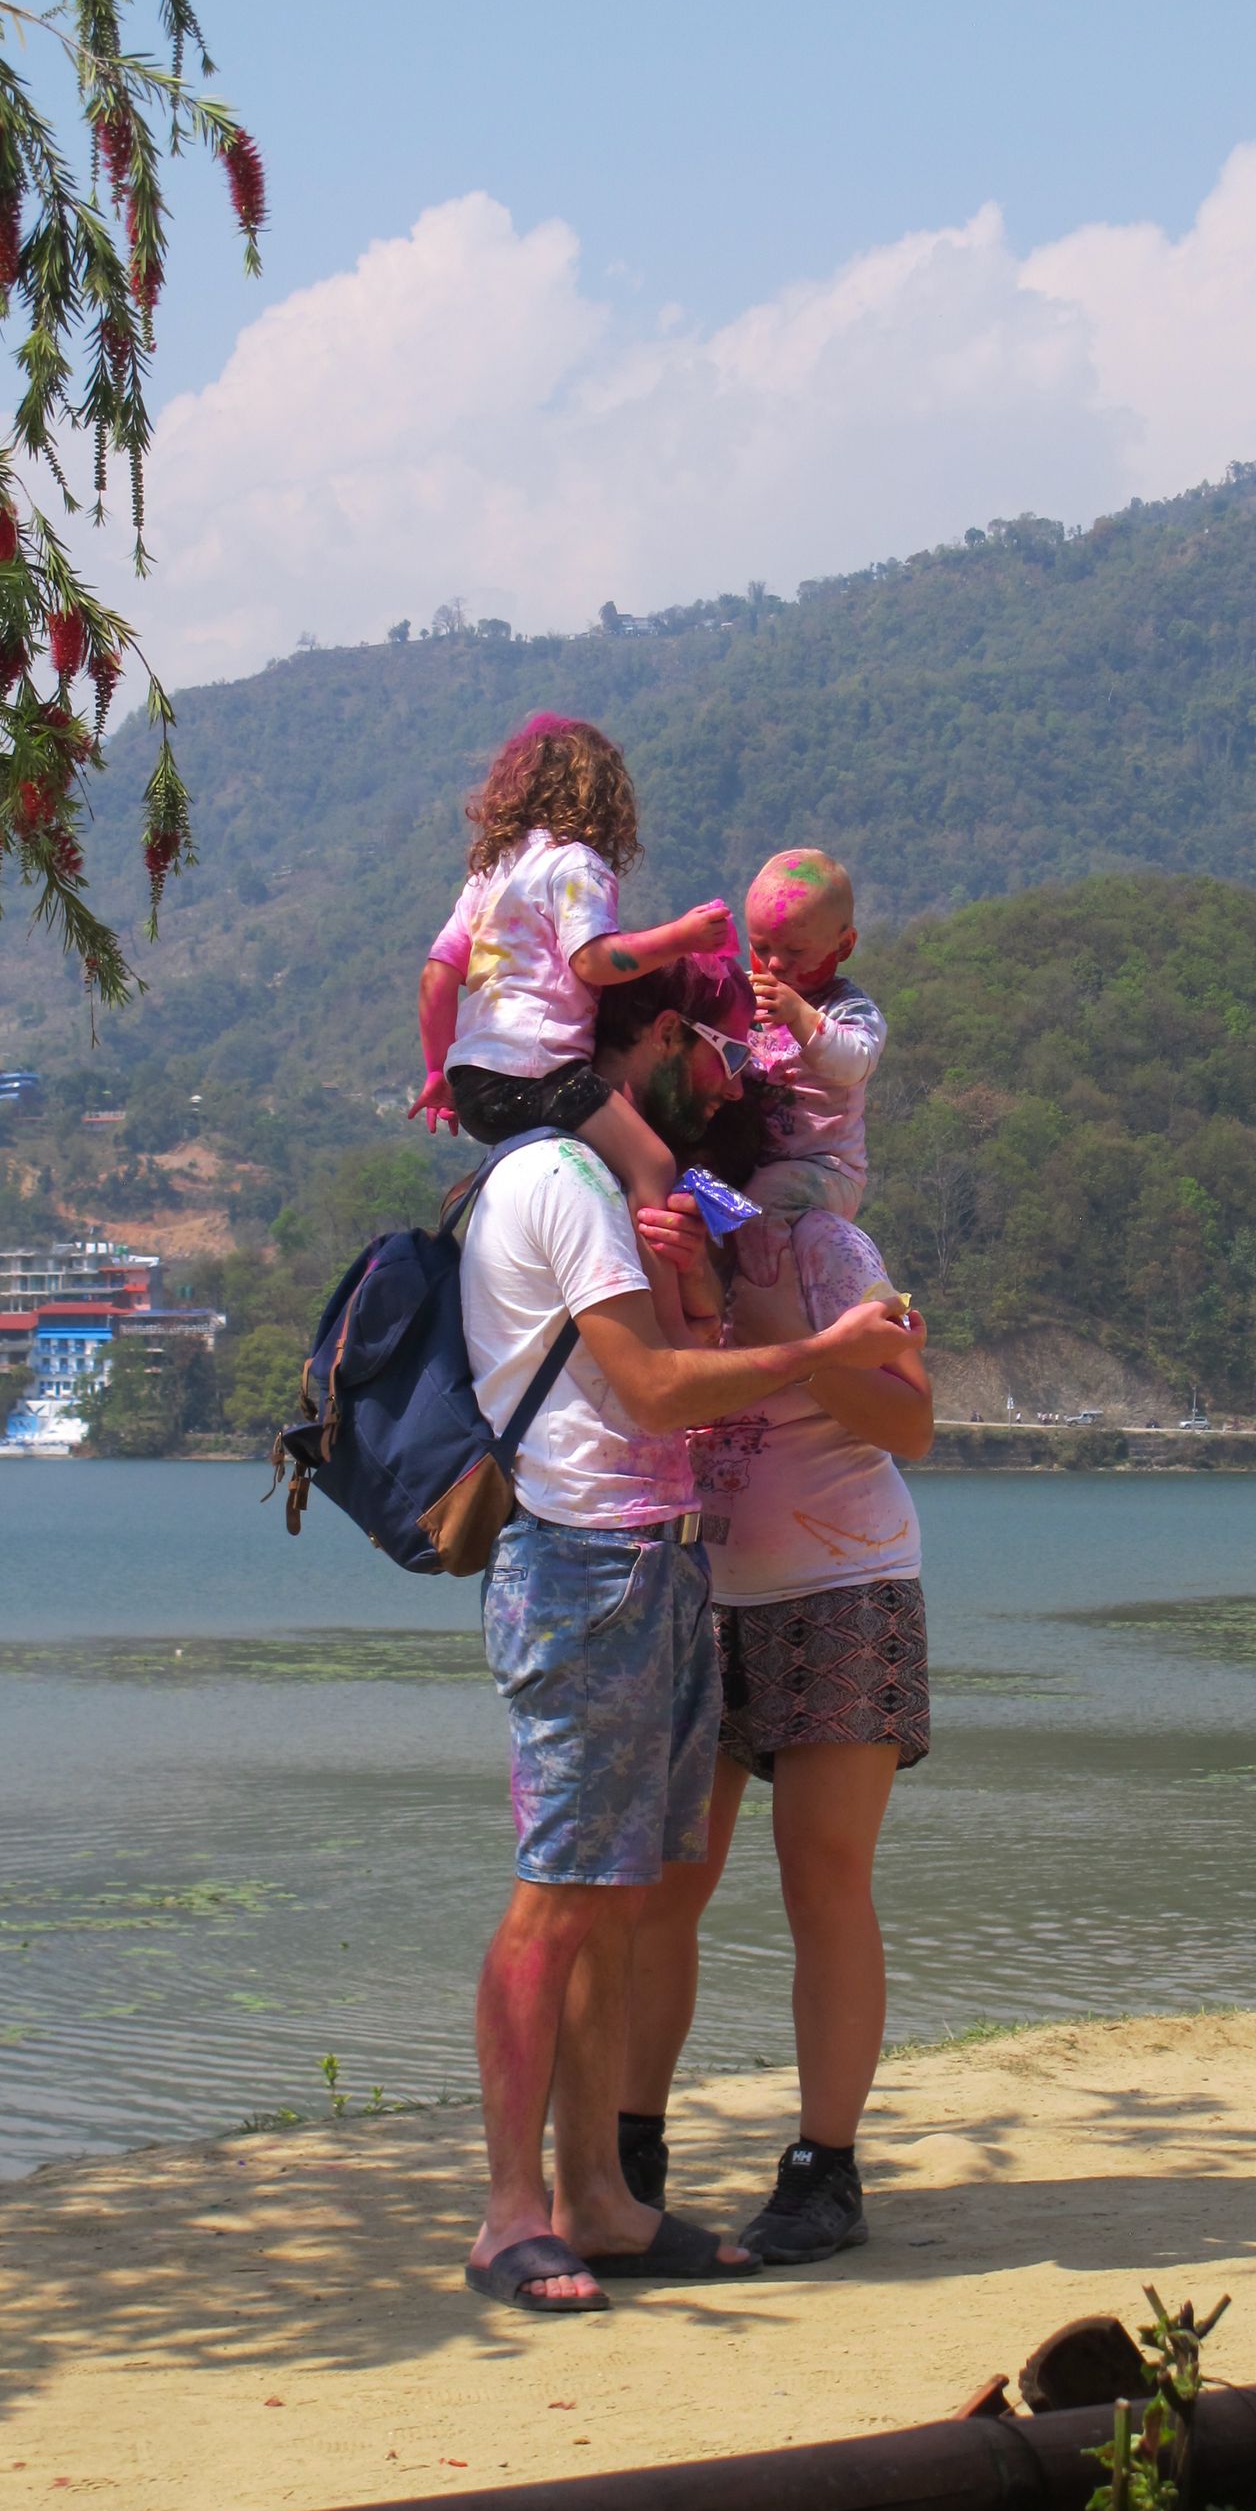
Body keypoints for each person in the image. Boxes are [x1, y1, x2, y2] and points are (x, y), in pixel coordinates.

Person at [458, 954, 916, 2313]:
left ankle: (601, 2195)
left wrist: (734, 1305)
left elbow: (679, 1375)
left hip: (669, 1570)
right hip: (592, 1569)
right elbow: (657, 1392)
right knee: (566, 1895)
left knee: (619, 1898)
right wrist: (810, 1348)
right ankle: (512, 2212)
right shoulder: (566, 1183)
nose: (720, 1072)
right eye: (706, 1046)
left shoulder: (641, 1200)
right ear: (654, 1044)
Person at [623, 1204, 933, 2264]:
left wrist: (771, 1327)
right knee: (665, 1886)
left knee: (825, 1877)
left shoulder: (825, 1247)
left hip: (844, 1581)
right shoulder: (634, 1235)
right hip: (694, 1586)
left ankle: (824, 2168)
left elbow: (911, 1424)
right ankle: (629, 2154)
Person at [410, 714, 741, 1338]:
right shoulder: (576, 865)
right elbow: (593, 959)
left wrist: (436, 1071)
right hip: (539, 1072)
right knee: (652, 1165)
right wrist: (681, 937)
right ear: (604, 797)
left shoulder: (488, 878)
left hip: (478, 1085)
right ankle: (667, 1334)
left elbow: (435, 978)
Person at [739, 849, 887, 1283]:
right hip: (758, 1158)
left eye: (795, 950)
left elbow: (853, 1063)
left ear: (844, 946)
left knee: (760, 1206)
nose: (775, 964)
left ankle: (761, 1302)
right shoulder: (748, 1002)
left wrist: (802, 1017)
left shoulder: (851, 1008)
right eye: (760, 948)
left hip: (825, 1170)